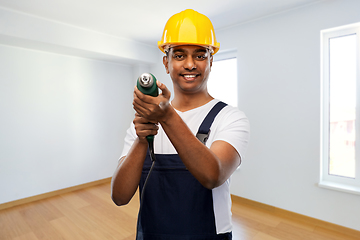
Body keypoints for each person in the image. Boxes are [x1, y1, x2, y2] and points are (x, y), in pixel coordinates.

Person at [111, 9, 250, 240]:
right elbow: (120, 196)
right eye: (179, 55)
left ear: (211, 61)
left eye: (200, 55)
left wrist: (167, 117)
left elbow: (212, 175)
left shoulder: (230, 118)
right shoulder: (142, 125)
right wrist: (142, 139)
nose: (190, 64)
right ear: (166, 63)